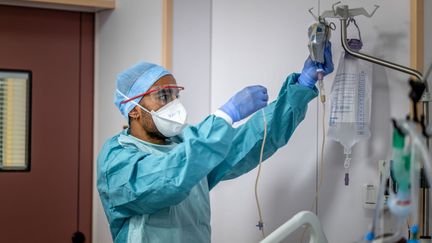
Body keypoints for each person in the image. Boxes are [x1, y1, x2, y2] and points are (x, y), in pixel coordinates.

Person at [97, 42, 333, 243]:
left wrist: (302, 86)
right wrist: (224, 116)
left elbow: (248, 143)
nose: (173, 104)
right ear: (134, 110)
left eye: (175, 95)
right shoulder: (117, 159)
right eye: (163, 96)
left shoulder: (185, 144)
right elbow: (168, 180)